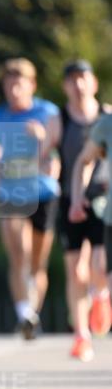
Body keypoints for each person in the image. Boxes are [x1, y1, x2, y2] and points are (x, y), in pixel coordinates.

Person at [0, 58, 60, 339]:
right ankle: (24, 315)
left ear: (31, 85)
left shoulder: (48, 112)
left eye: (18, 83)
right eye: (8, 84)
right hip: (11, 193)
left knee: (37, 263)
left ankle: (32, 312)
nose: (13, 90)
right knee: (18, 253)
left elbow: (55, 154)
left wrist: (42, 138)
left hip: (43, 192)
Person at [57, 60, 111, 360]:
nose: (78, 85)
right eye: (73, 79)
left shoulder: (107, 116)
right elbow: (46, 150)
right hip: (71, 197)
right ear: (66, 85)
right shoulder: (60, 118)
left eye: (83, 78)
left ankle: (101, 295)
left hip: (105, 198)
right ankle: (81, 335)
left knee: (100, 267)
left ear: (93, 82)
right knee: (76, 272)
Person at [69, 100, 112, 329]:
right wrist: (77, 197)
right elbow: (83, 162)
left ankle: (100, 294)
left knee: (97, 264)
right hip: (106, 210)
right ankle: (100, 296)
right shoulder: (107, 124)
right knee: (96, 264)